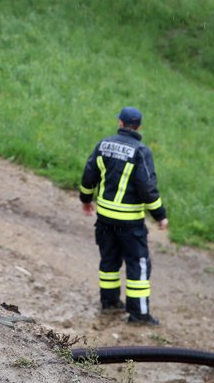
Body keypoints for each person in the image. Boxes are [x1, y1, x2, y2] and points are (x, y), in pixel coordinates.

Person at [79, 106, 168, 325]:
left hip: (105, 219)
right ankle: (139, 314)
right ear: (138, 126)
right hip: (130, 223)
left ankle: (109, 303)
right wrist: (160, 215)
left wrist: (86, 199)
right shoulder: (141, 151)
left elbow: (89, 173)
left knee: (109, 260)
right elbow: (147, 187)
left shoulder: (104, 144)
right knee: (138, 263)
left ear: (120, 122)